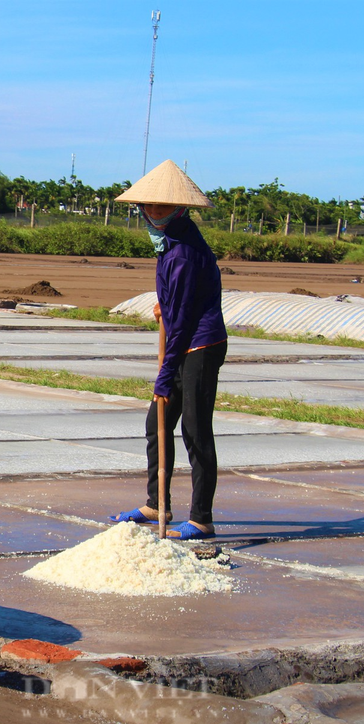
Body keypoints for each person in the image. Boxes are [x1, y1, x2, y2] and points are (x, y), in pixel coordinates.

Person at [109, 160, 226, 540]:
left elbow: (185, 321)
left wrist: (164, 375)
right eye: (149, 206)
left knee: (195, 430)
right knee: (155, 425)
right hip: (183, 337)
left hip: (199, 344)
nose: (153, 212)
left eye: (162, 207)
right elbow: (178, 302)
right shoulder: (171, 241)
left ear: (180, 209)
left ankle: (201, 518)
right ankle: (157, 503)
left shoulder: (182, 252)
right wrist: (167, 302)